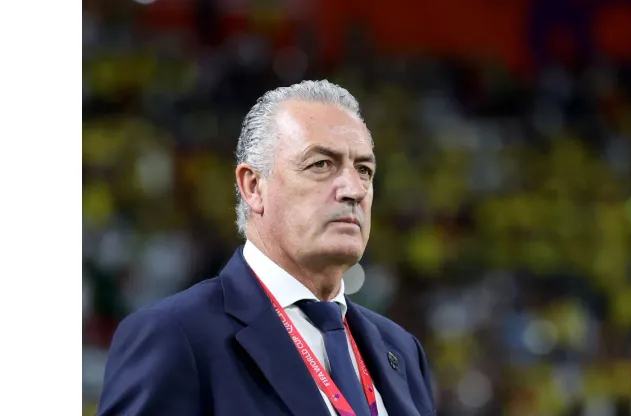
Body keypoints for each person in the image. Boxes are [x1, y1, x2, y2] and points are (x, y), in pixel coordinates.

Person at [97, 80, 436, 416]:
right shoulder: (175, 335)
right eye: (321, 164)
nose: (354, 189)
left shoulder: (402, 351)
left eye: (364, 170)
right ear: (254, 186)